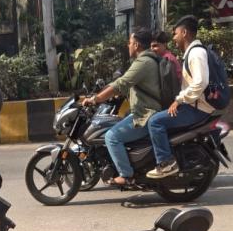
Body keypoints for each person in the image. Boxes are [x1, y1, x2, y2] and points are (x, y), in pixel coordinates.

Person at [81, 27, 162, 186]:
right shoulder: (149, 59)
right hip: (145, 111)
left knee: (112, 136)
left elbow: (121, 83)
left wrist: (96, 99)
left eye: (130, 42)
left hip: (146, 115)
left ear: (137, 45)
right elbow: (125, 83)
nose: (128, 45)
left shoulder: (143, 62)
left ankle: (127, 175)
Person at [146, 15, 214, 178]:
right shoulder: (192, 53)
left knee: (155, 122)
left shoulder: (196, 54)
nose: (174, 39)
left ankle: (166, 163)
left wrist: (179, 100)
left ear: (184, 33)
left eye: (175, 34)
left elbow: (200, 82)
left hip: (197, 108)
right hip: (194, 105)